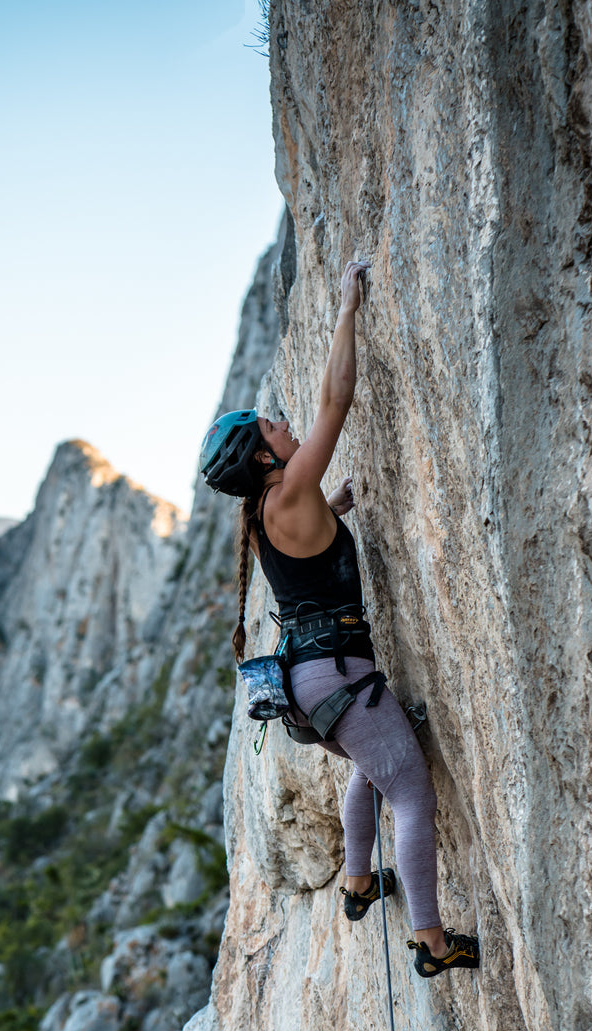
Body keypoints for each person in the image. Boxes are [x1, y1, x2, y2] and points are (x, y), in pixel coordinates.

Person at [198, 259, 479, 977]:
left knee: (374, 762)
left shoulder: (268, 513)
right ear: (263, 456)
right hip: (340, 675)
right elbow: (336, 400)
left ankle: (358, 883)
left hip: (308, 682)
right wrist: (348, 308)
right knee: (411, 790)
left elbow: (304, 562)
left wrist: (339, 509)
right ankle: (431, 942)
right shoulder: (289, 488)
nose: (286, 423)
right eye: (272, 424)